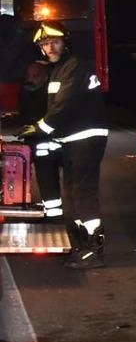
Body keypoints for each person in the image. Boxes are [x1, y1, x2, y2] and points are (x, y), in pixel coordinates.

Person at [18, 22, 108, 267]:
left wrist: (39, 128)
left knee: (83, 194)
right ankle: (81, 245)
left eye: (54, 42)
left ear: (65, 42)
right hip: (72, 141)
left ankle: (93, 251)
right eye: (44, 44)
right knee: (72, 195)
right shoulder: (58, 69)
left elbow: (63, 107)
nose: (49, 47)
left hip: (86, 139)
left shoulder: (74, 67)